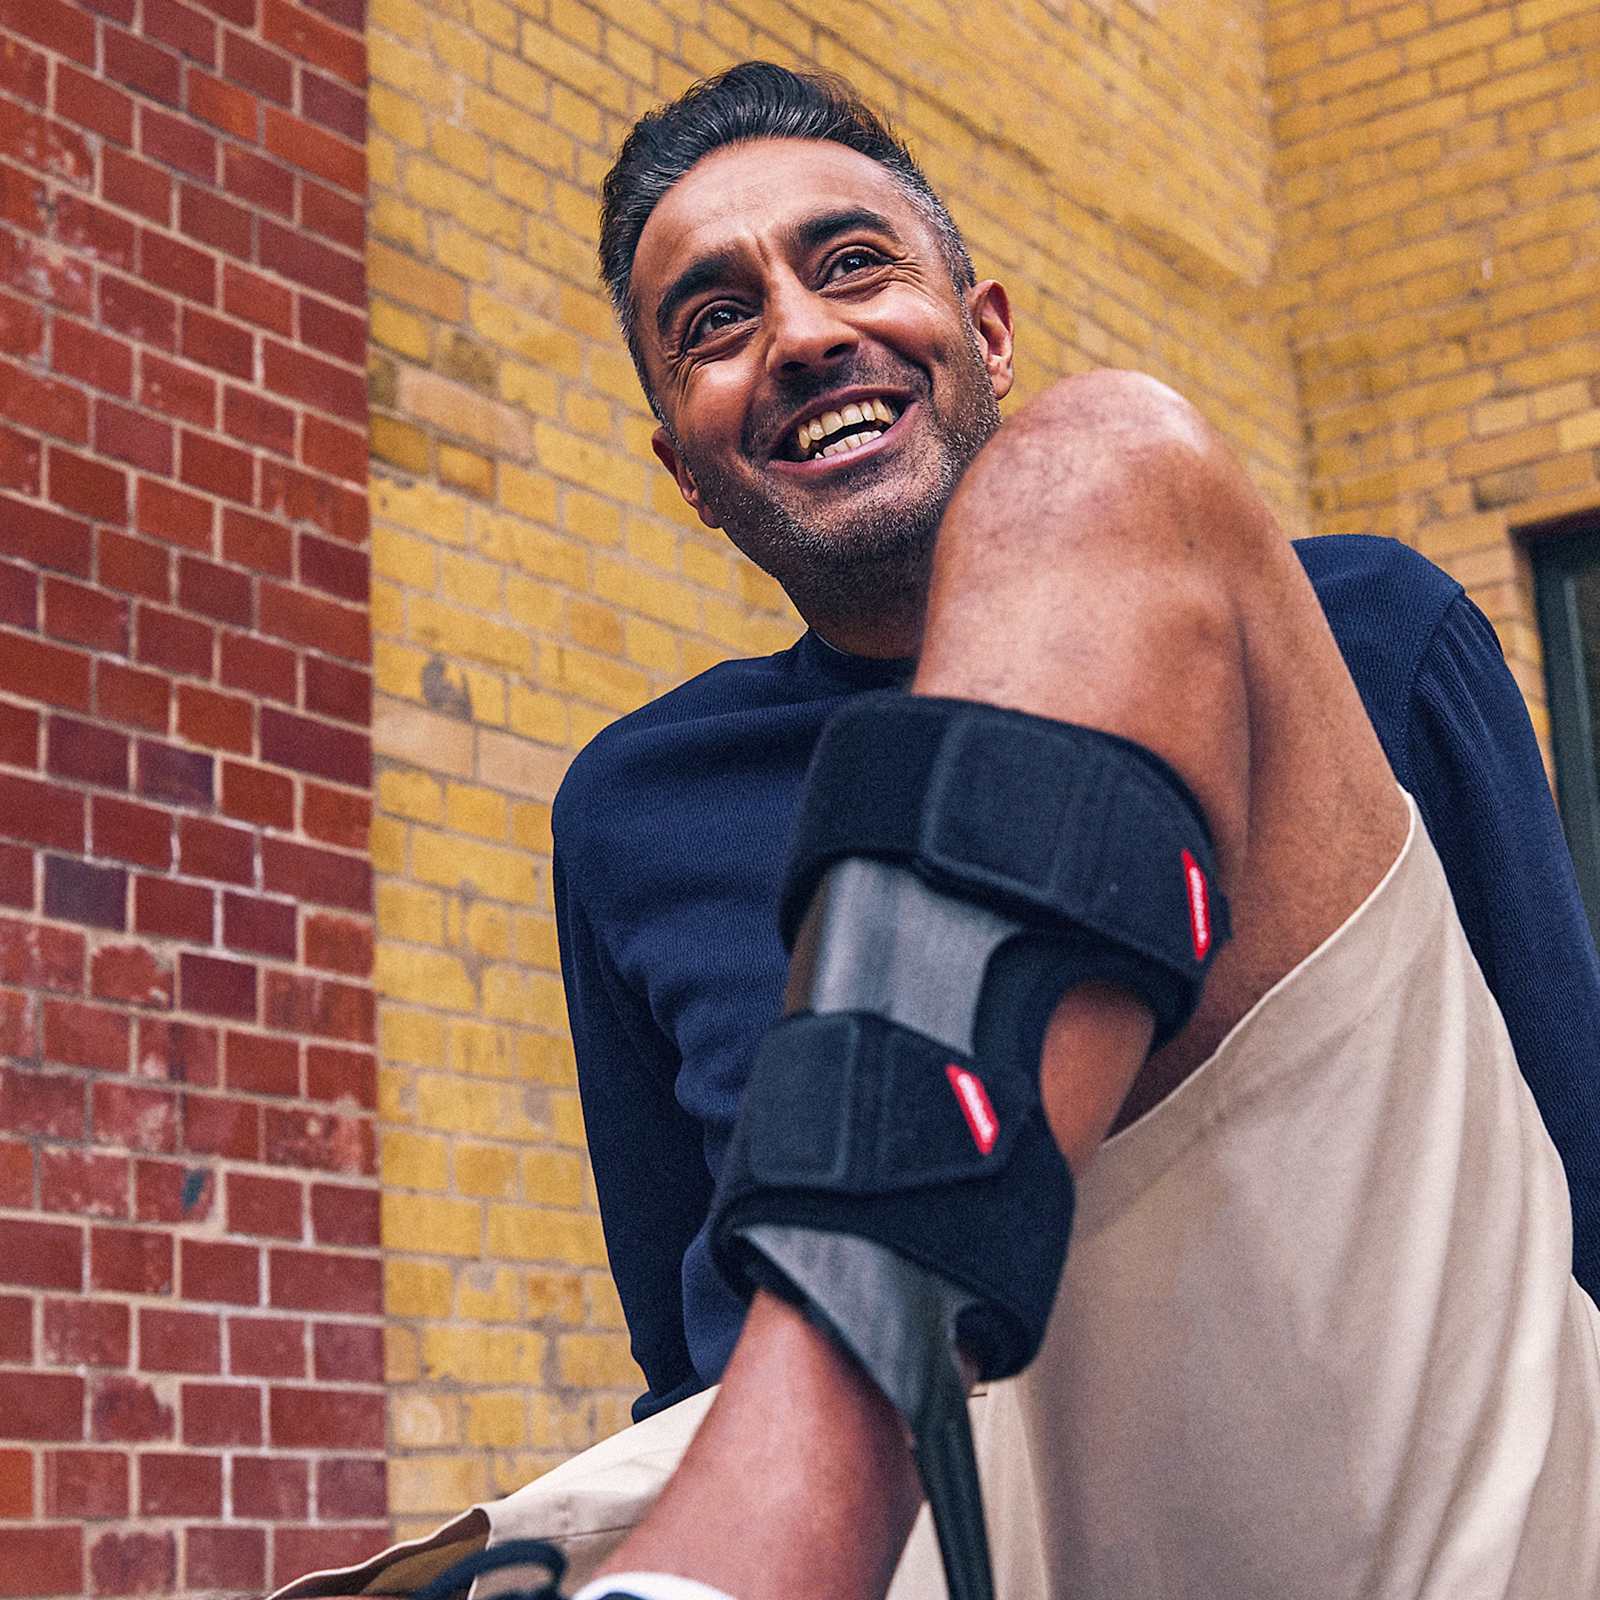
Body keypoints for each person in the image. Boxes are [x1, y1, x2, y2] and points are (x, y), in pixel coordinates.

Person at [539, 63, 1600, 1600]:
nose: (803, 334)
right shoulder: (634, 810)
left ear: (988, 332)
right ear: (683, 471)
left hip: (1380, 1483)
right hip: (934, 1555)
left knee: (1108, 468)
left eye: (852, 265)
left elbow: (1569, 1137)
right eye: (713, 324)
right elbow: (681, 1344)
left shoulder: (1363, 633)